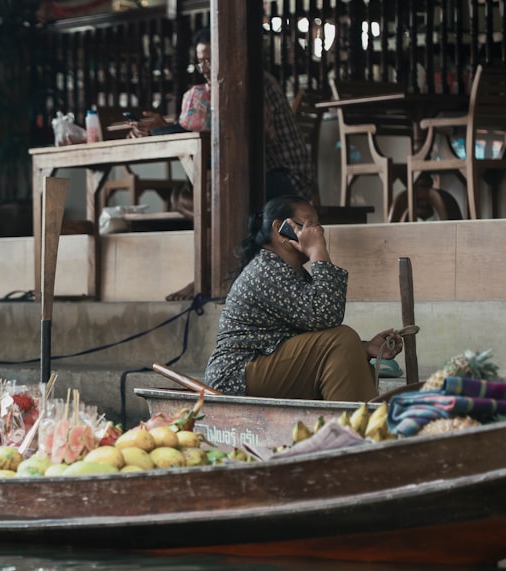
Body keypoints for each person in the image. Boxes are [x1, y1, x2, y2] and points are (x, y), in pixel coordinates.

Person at [202, 195, 402, 401]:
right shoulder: (266, 269)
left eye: (319, 225)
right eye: (310, 224)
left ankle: (355, 426)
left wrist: (364, 348)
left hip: (260, 366)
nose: (318, 232)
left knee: (349, 350)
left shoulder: (289, 271)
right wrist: (317, 250)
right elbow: (327, 314)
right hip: (236, 376)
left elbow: (316, 330)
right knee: (341, 341)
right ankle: (349, 430)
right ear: (280, 228)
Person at [129, 26, 316, 203]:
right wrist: (166, 129)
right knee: (187, 196)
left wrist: (170, 130)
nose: (204, 69)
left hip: (288, 179)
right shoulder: (227, 86)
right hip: (261, 175)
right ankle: (215, 229)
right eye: (200, 62)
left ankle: (218, 230)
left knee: (207, 194)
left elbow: (245, 137)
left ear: (228, 56)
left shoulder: (253, 81)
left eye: (210, 60)